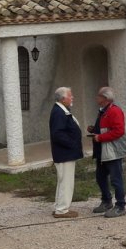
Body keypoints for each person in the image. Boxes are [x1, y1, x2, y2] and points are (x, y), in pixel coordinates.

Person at [88, 86, 126, 218]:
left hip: (112, 151)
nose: (96, 98)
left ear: (104, 98)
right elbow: (105, 128)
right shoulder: (103, 111)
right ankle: (106, 201)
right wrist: (94, 129)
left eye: (98, 96)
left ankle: (120, 206)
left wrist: (100, 137)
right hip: (102, 151)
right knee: (100, 177)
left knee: (116, 179)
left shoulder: (114, 111)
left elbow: (118, 131)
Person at [49, 87, 83, 219]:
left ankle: (59, 206)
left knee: (63, 181)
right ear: (63, 99)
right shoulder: (59, 112)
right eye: (70, 96)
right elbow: (57, 134)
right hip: (64, 153)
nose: (72, 97)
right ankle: (62, 210)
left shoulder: (62, 110)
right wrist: (72, 144)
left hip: (65, 153)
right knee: (66, 182)